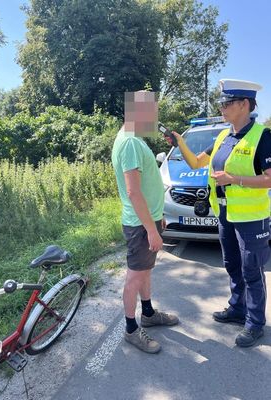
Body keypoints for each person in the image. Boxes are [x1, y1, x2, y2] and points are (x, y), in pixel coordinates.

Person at [169, 79, 271, 347]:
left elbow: (270, 179)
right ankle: (237, 309)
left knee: (252, 270)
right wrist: (179, 141)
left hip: (252, 218)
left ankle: (255, 323)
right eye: (222, 103)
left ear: (244, 104)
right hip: (225, 214)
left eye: (227, 103)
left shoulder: (263, 136)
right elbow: (196, 162)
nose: (222, 108)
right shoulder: (223, 136)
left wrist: (234, 179)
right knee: (232, 265)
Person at [111, 90, 179, 354]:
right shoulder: (129, 142)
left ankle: (148, 314)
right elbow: (133, 191)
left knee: (144, 273)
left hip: (148, 221)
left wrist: (157, 218)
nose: (155, 117)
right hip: (140, 225)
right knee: (134, 278)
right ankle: (130, 329)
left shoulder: (134, 140)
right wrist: (152, 229)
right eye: (152, 112)